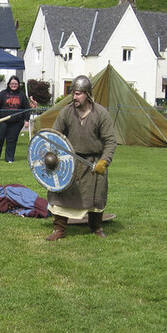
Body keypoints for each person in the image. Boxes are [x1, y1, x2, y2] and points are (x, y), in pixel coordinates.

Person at [46, 75, 117, 240]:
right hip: (69, 161)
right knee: (61, 194)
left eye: (78, 93)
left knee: (96, 195)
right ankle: (59, 229)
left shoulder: (101, 114)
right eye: (73, 93)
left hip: (93, 162)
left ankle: (96, 227)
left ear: (88, 94)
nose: (74, 97)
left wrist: (104, 161)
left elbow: (110, 141)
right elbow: (55, 136)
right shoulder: (66, 112)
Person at [0, 75, 31, 163]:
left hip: (16, 122)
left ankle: (9, 158)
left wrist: (27, 120)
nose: (13, 85)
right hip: (2, 121)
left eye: (15, 83)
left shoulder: (22, 95)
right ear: (8, 84)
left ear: (18, 84)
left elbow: (26, 108)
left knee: (12, 140)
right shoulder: (3, 93)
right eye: (12, 83)